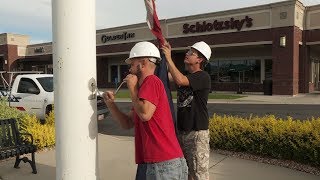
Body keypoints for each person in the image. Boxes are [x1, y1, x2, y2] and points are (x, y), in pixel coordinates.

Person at [103, 41, 188, 180]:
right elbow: (127, 123)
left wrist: (132, 87)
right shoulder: (141, 94)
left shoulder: (152, 81)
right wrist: (111, 104)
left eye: (132, 63)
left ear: (142, 63)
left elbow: (144, 114)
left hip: (163, 164)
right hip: (156, 163)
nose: (129, 68)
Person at [161, 41, 212, 180]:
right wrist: (165, 55)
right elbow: (167, 75)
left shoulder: (203, 76)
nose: (187, 54)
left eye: (191, 53)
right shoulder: (185, 75)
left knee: (199, 174)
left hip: (196, 133)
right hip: (183, 131)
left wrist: (170, 58)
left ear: (200, 59)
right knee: (187, 171)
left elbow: (180, 80)